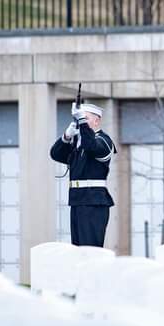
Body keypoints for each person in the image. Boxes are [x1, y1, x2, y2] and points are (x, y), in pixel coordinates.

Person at [50, 102, 117, 247]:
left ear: (96, 120)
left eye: (85, 119)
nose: (81, 123)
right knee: (78, 248)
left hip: (93, 201)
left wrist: (82, 123)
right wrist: (66, 136)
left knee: (90, 248)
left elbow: (92, 146)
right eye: (79, 119)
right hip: (77, 199)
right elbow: (55, 154)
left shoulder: (104, 141)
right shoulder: (78, 143)